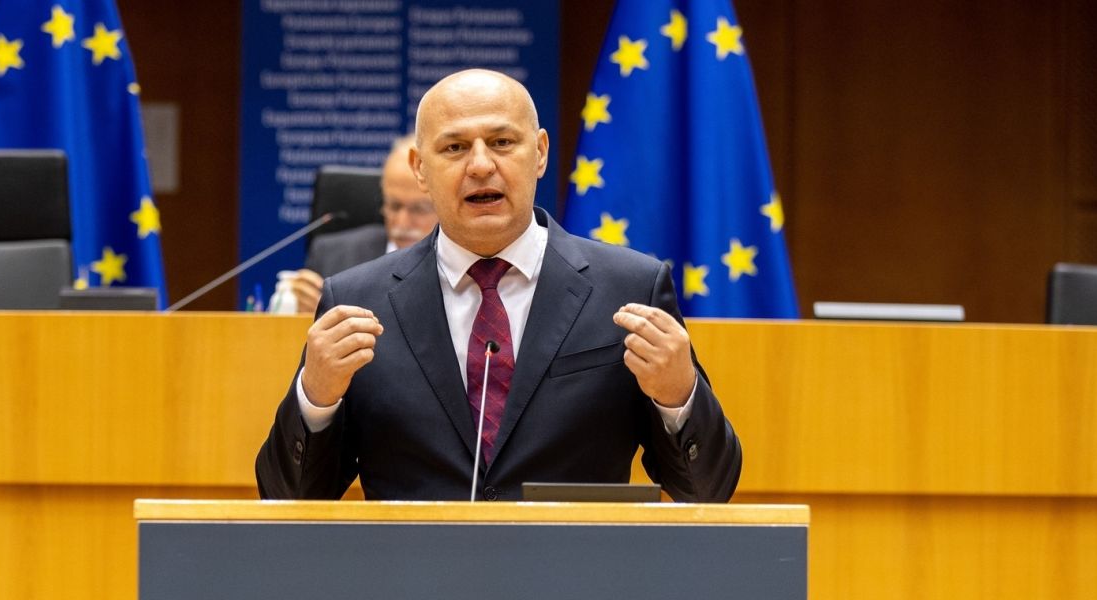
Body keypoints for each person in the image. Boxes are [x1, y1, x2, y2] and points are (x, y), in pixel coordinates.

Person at [256, 69, 741, 502]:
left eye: (502, 142)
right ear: (420, 168)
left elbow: (707, 490)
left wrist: (677, 396)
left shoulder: (629, 286)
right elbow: (287, 499)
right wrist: (316, 399)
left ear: (540, 153)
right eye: (454, 147)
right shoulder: (357, 299)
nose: (481, 165)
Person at [286, 134, 438, 315]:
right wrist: (305, 311)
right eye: (394, 206)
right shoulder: (331, 257)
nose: (402, 223)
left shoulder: (460, 267)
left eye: (419, 209)